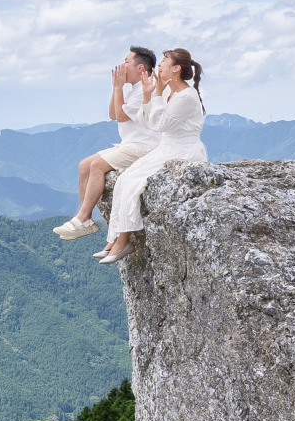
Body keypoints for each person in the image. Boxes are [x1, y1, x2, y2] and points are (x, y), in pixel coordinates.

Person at [97, 46, 207, 262]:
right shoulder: (172, 93)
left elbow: (159, 124)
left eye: (165, 60)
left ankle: (123, 241)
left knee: (133, 182)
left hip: (182, 150)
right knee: (124, 179)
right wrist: (151, 95)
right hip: (167, 147)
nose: (160, 64)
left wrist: (154, 94)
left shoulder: (186, 96)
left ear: (176, 68)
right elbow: (146, 120)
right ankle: (115, 238)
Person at [52, 46, 158, 239]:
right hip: (130, 144)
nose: (122, 66)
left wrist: (118, 87)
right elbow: (112, 114)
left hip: (142, 147)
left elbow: (121, 116)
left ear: (141, 68)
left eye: (126, 62)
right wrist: (116, 88)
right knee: (84, 166)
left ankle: (82, 217)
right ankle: (85, 220)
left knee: (97, 166)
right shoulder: (135, 89)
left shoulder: (145, 90)